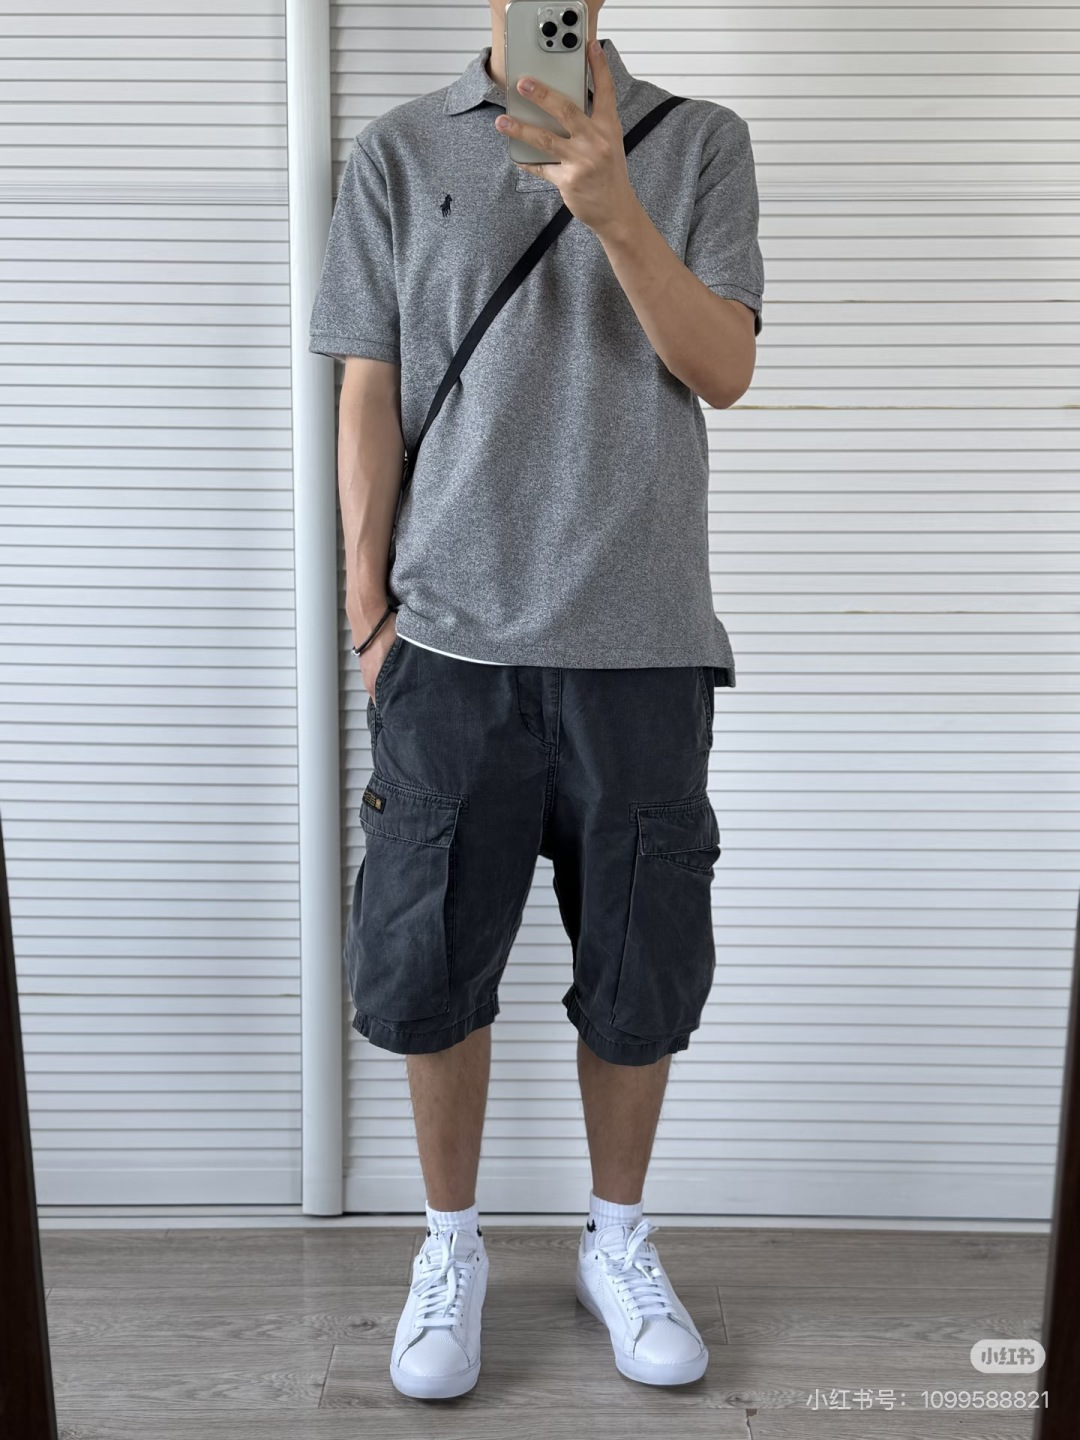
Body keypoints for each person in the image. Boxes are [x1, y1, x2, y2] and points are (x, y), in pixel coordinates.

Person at [309, 0, 763, 1401]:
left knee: (640, 976)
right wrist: (369, 614)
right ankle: (450, 1248)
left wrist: (615, 209)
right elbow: (369, 388)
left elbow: (724, 368)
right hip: (448, 650)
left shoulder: (700, 143)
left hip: (643, 645)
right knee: (431, 971)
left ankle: (615, 1240)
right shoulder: (396, 152)